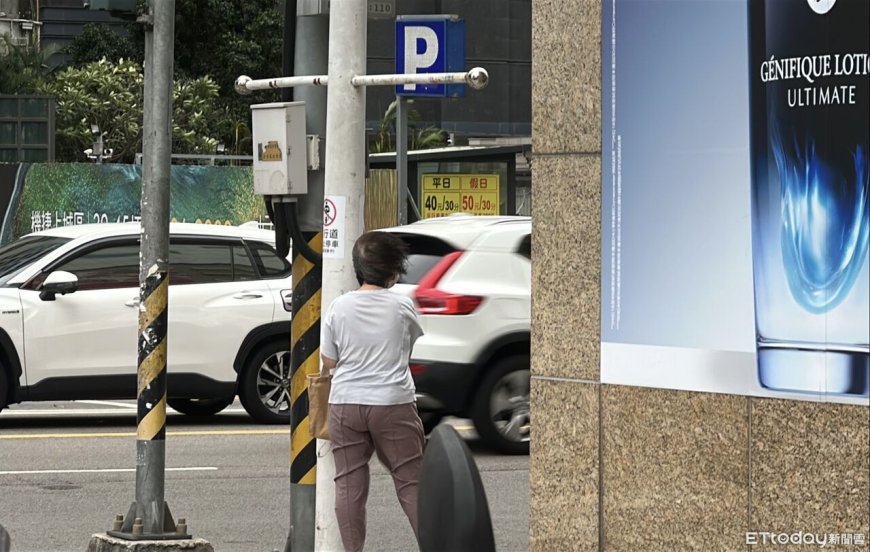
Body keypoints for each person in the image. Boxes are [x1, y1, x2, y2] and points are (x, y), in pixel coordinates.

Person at [321, 230, 425, 552]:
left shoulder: (338, 307)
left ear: (357, 268)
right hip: (391, 403)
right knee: (411, 481)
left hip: (345, 403)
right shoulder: (401, 306)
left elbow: (329, 359)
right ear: (394, 270)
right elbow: (410, 344)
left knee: (349, 482)